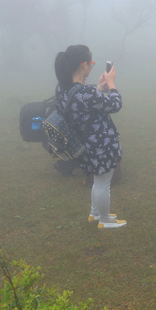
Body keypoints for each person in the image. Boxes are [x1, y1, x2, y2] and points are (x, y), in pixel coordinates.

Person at [53, 45, 125, 229]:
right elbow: (115, 105)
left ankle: (95, 213)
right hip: (101, 143)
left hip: (84, 143)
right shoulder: (87, 92)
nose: (92, 67)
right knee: (103, 183)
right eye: (91, 63)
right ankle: (105, 220)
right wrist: (111, 84)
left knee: (97, 179)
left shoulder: (62, 89)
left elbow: (84, 104)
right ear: (83, 65)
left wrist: (99, 87)